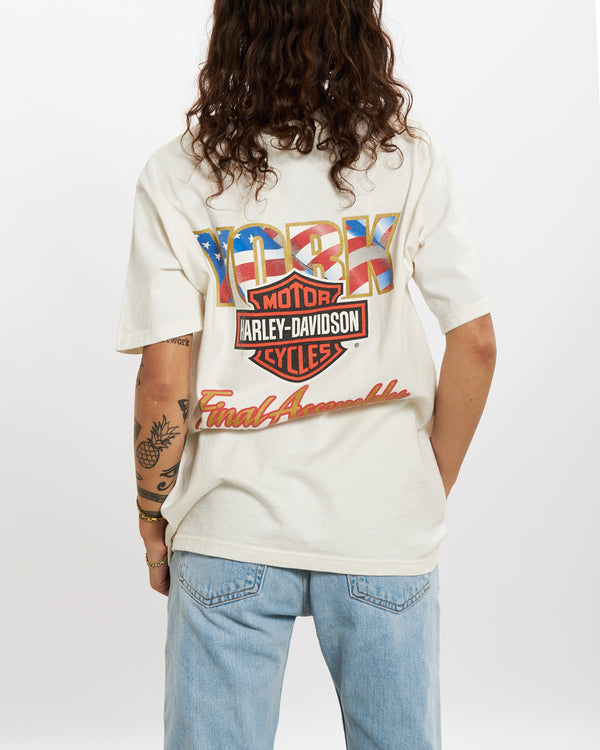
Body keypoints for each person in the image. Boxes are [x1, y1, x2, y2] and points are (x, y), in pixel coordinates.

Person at [115, 1, 497, 747]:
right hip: (382, 520)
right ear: (357, 26)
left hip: (230, 525)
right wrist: (422, 482)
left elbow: (164, 378)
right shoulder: (406, 160)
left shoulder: (179, 173)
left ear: (234, 29)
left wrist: (152, 519)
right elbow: (475, 342)